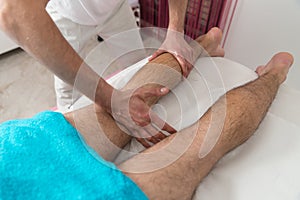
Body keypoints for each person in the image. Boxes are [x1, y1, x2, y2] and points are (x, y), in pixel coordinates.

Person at [0, 27, 294, 199]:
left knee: (196, 141)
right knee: (197, 142)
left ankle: (255, 67)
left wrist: (175, 29)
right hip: (16, 157)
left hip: (12, 164)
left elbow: (14, 14)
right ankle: (260, 70)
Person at [0, 0, 194, 139]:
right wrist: (108, 99)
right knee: (68, 95)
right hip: (67, 17)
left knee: (138, 67)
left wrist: (175, 30)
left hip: (115, 9)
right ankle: (69, 137)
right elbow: (13, 13)